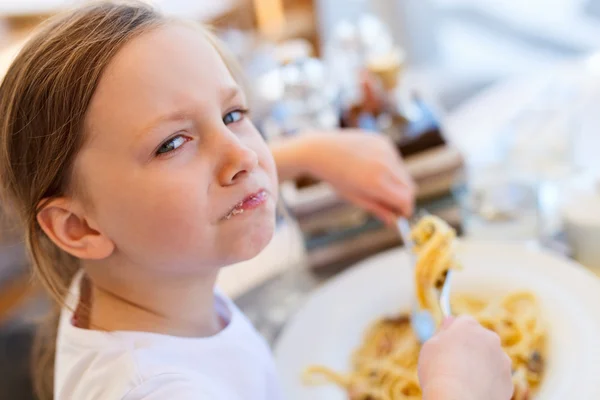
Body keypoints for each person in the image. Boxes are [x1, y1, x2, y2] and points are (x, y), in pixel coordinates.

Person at [0, 2, 513, 400]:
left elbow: (183, 186)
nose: (243, 155)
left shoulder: (126, 279)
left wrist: (309, 152)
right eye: (173, 143)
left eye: (232, 114)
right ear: (75, 229)